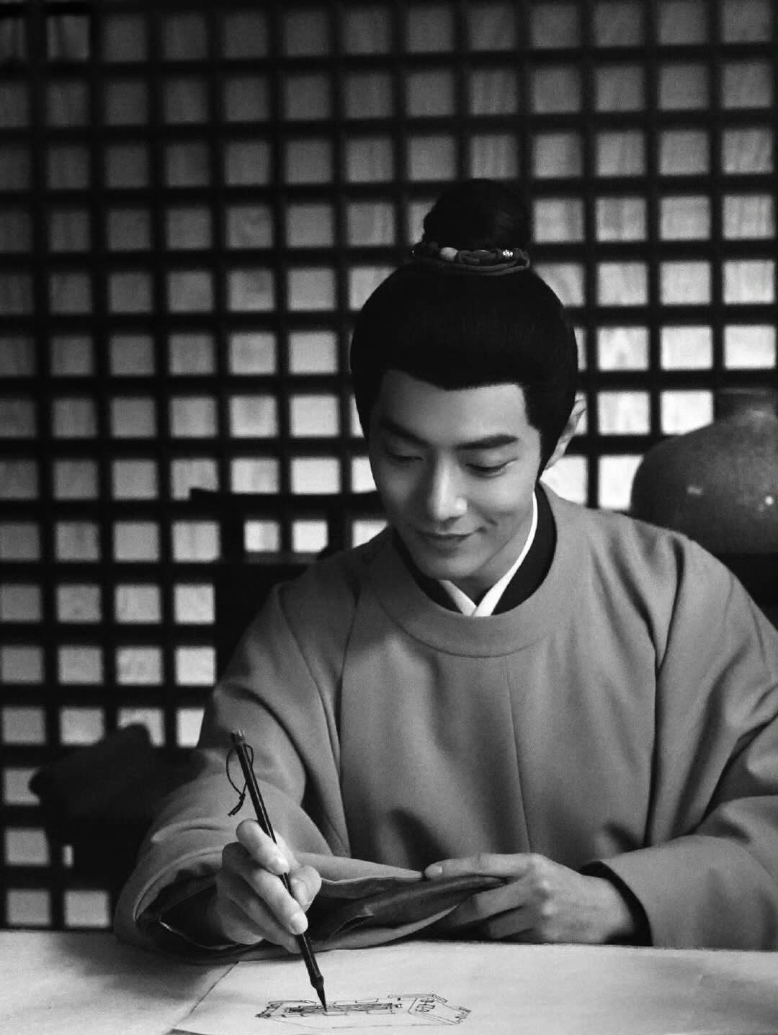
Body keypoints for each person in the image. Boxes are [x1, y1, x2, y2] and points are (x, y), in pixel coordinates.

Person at [115, 179, 778, 958]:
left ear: (563, 435)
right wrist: (229, 896)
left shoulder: (677, 599)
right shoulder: (309, 626)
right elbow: (212, 819)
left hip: (638, 1009)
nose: (439, 503)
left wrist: (619, 899)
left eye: (486, 463)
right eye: (401, 455)